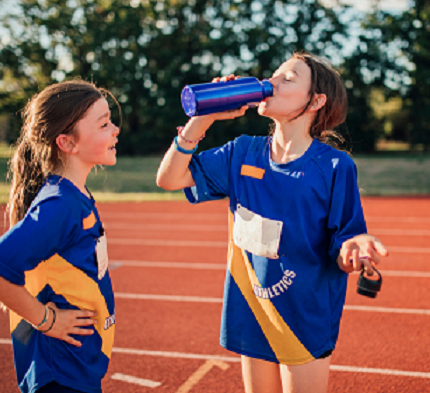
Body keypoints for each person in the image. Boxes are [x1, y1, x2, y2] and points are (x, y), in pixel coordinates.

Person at [156, 52, 389, 393]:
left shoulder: (335, 166)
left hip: (303, 318)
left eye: (289, 78)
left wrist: (355, 248)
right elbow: (169, 179)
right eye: (275, 74)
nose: (273, 82)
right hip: (252, 309)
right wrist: (201, 120)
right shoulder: (242, 152)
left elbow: (344, 245)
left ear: (316, 100)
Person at [0, 80, 120, 393]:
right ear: (67, 143)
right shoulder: (60, 204)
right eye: (104, 124)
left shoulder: (75, 195)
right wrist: (47, 320)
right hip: (60, 370)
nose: (115, 129)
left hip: (76, 363)